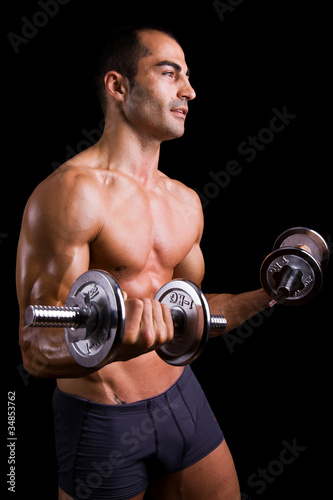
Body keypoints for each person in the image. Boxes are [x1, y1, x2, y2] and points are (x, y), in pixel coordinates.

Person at [16, 25, 272, 500]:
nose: (189, 91)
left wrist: (268, 296)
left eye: (189, 77)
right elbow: (34, 347)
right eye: (169, 73)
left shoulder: (185, 202)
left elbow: (189, 311)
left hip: (184, 400)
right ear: (118, 87)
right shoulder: (71, 195)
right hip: (103, 420)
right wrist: (115, 346)